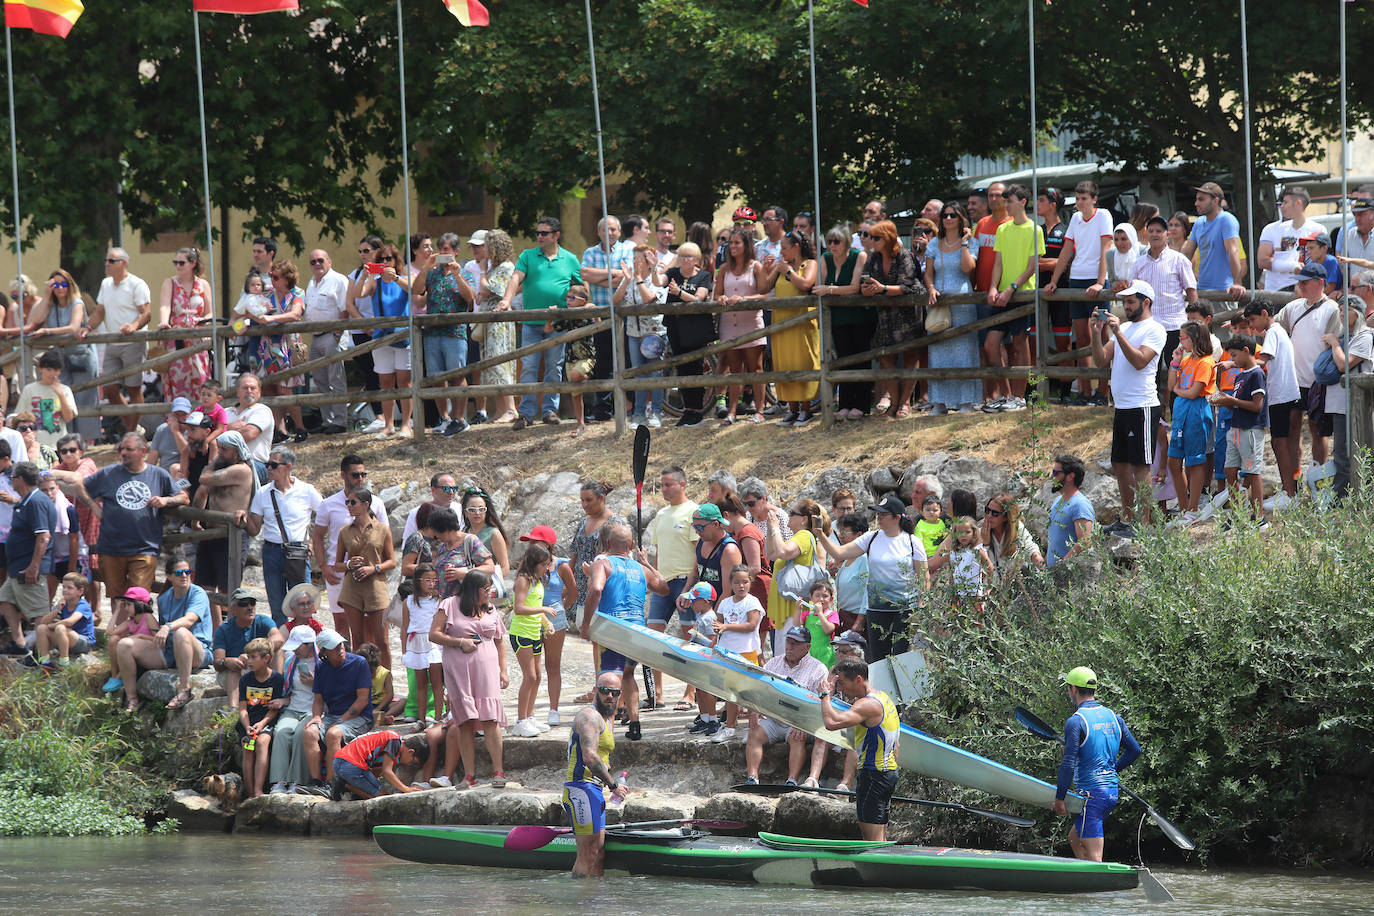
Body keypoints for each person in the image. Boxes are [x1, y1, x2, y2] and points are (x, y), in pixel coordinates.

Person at [51, 432, 185, 619]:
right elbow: (80, 486)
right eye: (122, 449)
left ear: (143, 451)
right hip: (111, 546)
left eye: (129, 449)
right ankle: (119, 636)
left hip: (144, 546)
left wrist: (165, 501)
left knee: (138, 597)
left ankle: (136, 634)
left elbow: (183, 497)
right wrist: (93, 507)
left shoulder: (158, 474)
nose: (124, 453)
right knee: (116, 596)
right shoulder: (109, 473)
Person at [580, 522, 669, 742]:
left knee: (608, 680)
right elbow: (664, 587)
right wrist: (647, 563)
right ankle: (635, 723)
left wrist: (585, 625)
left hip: (614, 629)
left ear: (608, 543)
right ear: (630, 545)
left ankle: (605, 735)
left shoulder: (603, 561)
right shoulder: (640, 568)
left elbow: (597, 589)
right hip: (638, 630)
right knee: (628, 675)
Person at [1090, 280, 1166, 536]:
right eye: (1124, 302)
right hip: (1123, 406)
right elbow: (1101, 359)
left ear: (1146, 302)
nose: (1126, 306)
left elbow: (1140, 362)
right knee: (1120, 463)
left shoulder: (1155, 329)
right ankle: (1127, 518)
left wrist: (1118, 334)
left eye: (1131, 301)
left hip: (1142, 405)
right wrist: (1095, 331)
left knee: (1140, 465)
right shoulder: (1123, 327)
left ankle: (1142, 525)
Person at [818, 495, 927, 662]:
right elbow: (839, 553)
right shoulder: (871, 538)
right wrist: (820, 534)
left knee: (902, 657)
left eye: (883, 514)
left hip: (905, 611)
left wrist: (921, 609)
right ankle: (881, 689)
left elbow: (923, 578)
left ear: (897, 517)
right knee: (878, 659)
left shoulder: (913, 542)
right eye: (877, 514)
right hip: (877, 610)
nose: (879, 518)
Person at [1052, 666, 1142, 862]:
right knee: (1074, 839)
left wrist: (1059, 798)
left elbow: (1068, 764)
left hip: (1090, 796)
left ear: (1074, 689)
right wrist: (1111, 771)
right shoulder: (1114, 717)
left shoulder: (1076, 722)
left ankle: (1099, 888)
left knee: (1095, 857)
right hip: (1110, 793)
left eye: (1068, 688)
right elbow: (1135, 750)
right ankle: (1085, 884)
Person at [428, 570, 509, 789]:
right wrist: (459, 641)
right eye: (486, 588)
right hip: (459, 670)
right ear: (473, 589)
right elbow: (434, 634)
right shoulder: (449, 605)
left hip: (487, 669)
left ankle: (498, 771)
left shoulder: (491, 610)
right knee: (465, 722)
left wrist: (504, 670)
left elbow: (500, 641)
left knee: (491, 718)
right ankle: (469, 775)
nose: (489, 592)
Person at [500, 216, 582, 428]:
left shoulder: (570, 259)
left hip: (558, 323)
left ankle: (549, 411)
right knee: (528, 367)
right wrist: (506, 300)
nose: (539, 237)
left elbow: (581, 289)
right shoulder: (528, 255)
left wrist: (578, 305)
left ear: (556, 236)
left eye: (544, 233)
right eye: (538, 233)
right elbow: (516, 278)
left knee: (554, 368)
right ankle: (526, 414)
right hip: (530, 322)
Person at [1045, 181, 1113, 406]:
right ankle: (1085, 391)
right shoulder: (1074, 219)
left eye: (1084, 198)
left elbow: (1106, 249)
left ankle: (1103, 392)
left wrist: (1101, 283)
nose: (1080, 202)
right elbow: (1066, 251)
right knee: (1082, 338)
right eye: (1078, 198)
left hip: (1096, 281)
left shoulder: (1103, 216)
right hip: (1076, 282)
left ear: (1094, 199)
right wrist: (1054, 281)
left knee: (1102, 335)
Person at [819, 658, 901, 840]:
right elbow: (896, 745)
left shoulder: (866, 705)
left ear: (858, 679)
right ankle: (880, 865)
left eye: (841, 682)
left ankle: (879, 867)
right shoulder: (884, 698)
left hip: (874, 775)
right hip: (886, 773)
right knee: (878, 831)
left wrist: (825, 695)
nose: (839, 689)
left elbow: (831, 723)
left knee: (872, 837)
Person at [242, 445, 322, 625]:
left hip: (298, 552)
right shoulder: (263, 492)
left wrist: (312, 543)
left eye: (273, 465)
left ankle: (305, 646)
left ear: (288, 467)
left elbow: (325, 517)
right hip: (271, 552)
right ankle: (283, 648)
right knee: (277, 606)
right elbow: (254, 529)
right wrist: (243, 518)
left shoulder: (306, 490)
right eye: (267, 464)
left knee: (304, 604)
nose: (268, 468)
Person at [742, 626, 830, 788]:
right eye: (788, 642)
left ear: (807, 647)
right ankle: (752, 778)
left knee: (797, 737)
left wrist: (804, 723)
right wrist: (753, 710)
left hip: (800, 721)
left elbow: (820, 703)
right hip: (774, 718)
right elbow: (758, 689)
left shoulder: (818, 669)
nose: (790, 647)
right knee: (754, 731)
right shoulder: (773, 663)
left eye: (795, 643)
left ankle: (792, 780)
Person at [563, 671, 632, 877]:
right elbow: (590, 758)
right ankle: (578, 905)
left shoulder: (608, 718)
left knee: (599, 853)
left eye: (614, 692)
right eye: (604, 691)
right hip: (580, 789)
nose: (609, 696)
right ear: (595, 691)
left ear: (620, 695)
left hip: (593, 790)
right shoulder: (589, 716)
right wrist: (613, 785)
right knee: (587, 854)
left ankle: (596, 902)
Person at [984, 184, 1044, 411]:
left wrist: (1011, 288)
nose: (1005, 205)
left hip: (1023, 294)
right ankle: (1006, 394)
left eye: (1009, 201)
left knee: (1020, 344)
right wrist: (992, 287)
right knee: (991, 345)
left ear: (1022, 202)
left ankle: (1019, 397)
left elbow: (1032, 266)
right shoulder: (1003, 229)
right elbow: (998, 262)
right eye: (1005, 200)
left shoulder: (1034, 229)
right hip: (1001, 295)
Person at [1276, 263, 1341, 471]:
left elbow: (1333, 344)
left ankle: (1318, 481)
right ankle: (1294, 479)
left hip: (1318, 381)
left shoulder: (1332, 309)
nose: (1300, 286)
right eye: (1300, 281)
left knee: (1318, 430)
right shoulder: (1293, 307)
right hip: (1294, 380)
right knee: (1292, 428)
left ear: (1320, 283)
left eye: (1305, 282)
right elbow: (1273, 326)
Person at [123, 566, 214, 713]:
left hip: (199, 652)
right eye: (179, 573)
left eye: (188, 572)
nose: (184, 575)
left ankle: (184, 689)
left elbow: (190, 619)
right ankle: (132, 699)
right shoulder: (164, 599)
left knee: (181, 632)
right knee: (124, 644)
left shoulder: (198, 593)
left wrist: (168, 627)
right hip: (171, 651)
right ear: (169, 576)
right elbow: (159, 633)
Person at [568, 480, 627, 703]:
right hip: (584, 587)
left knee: (607, 639)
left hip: (604, 586)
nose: (584, 505)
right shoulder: (584, 522)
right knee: (595, 639)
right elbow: (574, 553)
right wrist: (570, 581)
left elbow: (621, 555)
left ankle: (611, 689)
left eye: (589, 500)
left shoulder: (615, 523)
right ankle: (599, 687)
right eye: (582, 500)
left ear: (601, 498)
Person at [644, 466, 698, 704]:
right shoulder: (662, 514)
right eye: (662, 485)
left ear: (682, 484)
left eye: (668, 485)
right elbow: (658, 553)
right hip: (663, 584)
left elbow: (699, 552)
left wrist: (691, 584)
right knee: (654, 637)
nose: (664, 489)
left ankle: (691, 692)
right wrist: (655, 578)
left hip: (686, 582)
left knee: (691, 639)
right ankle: (658, 693)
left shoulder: (693, 511)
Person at [314, 455, 388, 631]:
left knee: (369, 624)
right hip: (338, 572)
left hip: (368, 572)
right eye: (355, 475)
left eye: (363, 474)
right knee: (341, 622)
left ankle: (366, 659)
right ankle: (345, 658)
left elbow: (385, 537)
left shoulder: (376, 503)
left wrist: (379, 568)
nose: (360, 479)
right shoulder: (328, 504)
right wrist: (324, 566)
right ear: (343, 475)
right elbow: (317, 536)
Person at [23, 269, 97, 442]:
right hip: (61, 358)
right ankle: (67, 440)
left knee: (84, 399)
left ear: (70, 285)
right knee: (61, 397)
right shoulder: (51, 304)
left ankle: (85, 441)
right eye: (55, 285)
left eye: (64, 284)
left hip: (81, 356)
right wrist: (47, 296)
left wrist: (47, 331)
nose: (60, 288)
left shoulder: (77, 303)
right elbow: (35, 319)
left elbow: (73, 327)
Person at [192, 431, 256, 627]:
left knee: (229, 590)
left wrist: (211, 464)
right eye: (219, 449)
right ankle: (215, 631)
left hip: (232, 537)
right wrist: (196, 519)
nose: (220, 453)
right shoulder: (220, 469)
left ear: (236, 452)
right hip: (211, 535)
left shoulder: (242, 470)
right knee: (205, 588)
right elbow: (202, 492)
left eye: (225, 450)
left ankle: (232, 630)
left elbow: (204, 480)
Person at [1238, 301, 1301, 505]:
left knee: (1279, 442)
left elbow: (1262, 360)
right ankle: (1289, 490)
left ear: (1265, 314)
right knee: (1285, 442)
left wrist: (1235, 362)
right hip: (1285, 393)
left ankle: (1289, 493)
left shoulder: (1273, 332)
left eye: (1253, 320)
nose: (1252, 325)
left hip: (1280, 395)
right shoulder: (1277, 332)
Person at [298, 629, 372, 798]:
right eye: (334, 646)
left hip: (359, 717)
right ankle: (316, 781)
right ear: (324, 652)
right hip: (333, 716)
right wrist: (316, 717)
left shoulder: (359, 663)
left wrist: (341, 721)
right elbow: (318, 699)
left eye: (341, 644)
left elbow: (362, 701)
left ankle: (331, 784)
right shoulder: (321, 668)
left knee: (333, 733)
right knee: (309, 731)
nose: (340, 648)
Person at [862, 220, 924, 418]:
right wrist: (867, 289)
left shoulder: (903, 255)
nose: (872, 241)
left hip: (907, 314)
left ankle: (905, 402)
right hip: (885, 315)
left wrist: (882, 289)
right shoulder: (873, 257)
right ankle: (894, 403)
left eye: (876, 237)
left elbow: (907, 285)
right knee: (886, 357)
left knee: (910, 357)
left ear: (888, 237)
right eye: (870, 237)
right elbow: (865, 278)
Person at [87, 248, 152, 436]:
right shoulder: (105, 284)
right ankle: (133, 429)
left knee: (133, 388)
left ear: (124, 263)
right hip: (112, 342)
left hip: (133, 342)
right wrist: (88, 327)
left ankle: (130, 433)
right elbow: (100, 311)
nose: (107, 263)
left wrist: (133, 326)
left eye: (111, 260)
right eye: (106, 260)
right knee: (109, 388)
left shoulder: (136, 284)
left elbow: (146, 313)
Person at [331, 485, 396, 669]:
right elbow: (337, 564)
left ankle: (387, 683)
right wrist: (349, 565)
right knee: (357, 639)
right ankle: (359, 682)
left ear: (366, 504)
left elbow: (392, 561)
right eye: (347, 502)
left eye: (353, 502)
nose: (349, 506)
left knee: (381, 640)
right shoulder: (345, 531)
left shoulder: (382, 529)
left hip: (376, 586)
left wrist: (373, 568)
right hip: (352, 586)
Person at [925, 202, 979, 414]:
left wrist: (964, 243)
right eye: (945, 215)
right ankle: (939, 401)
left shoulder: (972, 243)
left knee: (964, 352)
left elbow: (968, 268)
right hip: (938, 300)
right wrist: (930, 288)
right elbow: (929, 272)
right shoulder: (933, 244)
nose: (948, 219)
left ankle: (965, 401)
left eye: (953, 215)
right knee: (938, 350)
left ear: (961, 219)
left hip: (963, 300)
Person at [1133, 215, 1198, 391]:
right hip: (1149, 326)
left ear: (1166, 234)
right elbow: (1134, 295)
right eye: (1151, 231)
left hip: (1175, 324)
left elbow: (1191, 291)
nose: (1155, 234)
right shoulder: (1138, 264)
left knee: (1176, 370)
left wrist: (1196, 322)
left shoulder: (1179, 260)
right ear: (1146, 234)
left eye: (1159, 231)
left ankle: (1176, 413)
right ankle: (1154, 415)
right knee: (1149, 373)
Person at [520, 525, 575, 727]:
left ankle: (553, 709)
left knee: (553, 666)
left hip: (553, 616)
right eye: (530, 542)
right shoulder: (526, 565)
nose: (531, 545)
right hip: (531, 617)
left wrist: (560, 610)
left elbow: (573, 591)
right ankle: (529, 712)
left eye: (535, 542)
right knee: (533, 670)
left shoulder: (561, 565)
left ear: (547, 545)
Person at [1209, 334, 1270, 517]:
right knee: (1229, 470)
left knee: (1252, 472)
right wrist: (1223, 401)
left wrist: (1231, 400)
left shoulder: (1257, 374)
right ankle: (1237, 512)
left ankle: (1258, 516)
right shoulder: (1240, 375)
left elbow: (1257, 405)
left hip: (1250, 430)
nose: (1233, 361)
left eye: (1234, 356)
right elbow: (1236, 403)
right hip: (1235, 429)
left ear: (1246, 351)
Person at [357, 245, 414, 438]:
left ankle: (406, 424)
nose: (386, 262)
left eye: (389, 259)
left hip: (402, 335)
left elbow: (414, 291)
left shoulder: (403, 279)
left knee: (404, 381)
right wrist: (365, 276)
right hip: (381, 336)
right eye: (382, 259)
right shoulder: (376, 282)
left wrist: (396, 277)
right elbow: (359, 294)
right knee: (386, 381)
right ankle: (388, 425)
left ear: (396, 261)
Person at [713, 228, 769, 426]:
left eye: (737, 242)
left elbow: (764, 294)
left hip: (751, 324)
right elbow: (716, 294)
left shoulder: (756, 267)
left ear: (746, 245)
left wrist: (743, 299)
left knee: (756, 368)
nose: (733, 246)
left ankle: (760, 410)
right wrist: (721, 298)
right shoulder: (724, 269)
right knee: (735, 369)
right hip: (729, 325)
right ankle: (733, 411)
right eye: (731, 243)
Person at [818, 225, 872, 419]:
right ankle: (845, 403)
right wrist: (830, 288)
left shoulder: (859, 256)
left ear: (847, 242)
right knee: (843, 358)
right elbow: (819, 285)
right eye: (830, 242)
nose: (832, 246)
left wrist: (831, 289)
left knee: (861, 358)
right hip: (838, 317)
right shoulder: (825, 259)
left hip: (860, 316)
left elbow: (854, 287)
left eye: (837, 242)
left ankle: (862, 404)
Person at [765, 232, 820, 425]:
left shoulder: (810, 264)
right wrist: (769, 269)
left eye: (785, 247)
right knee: (784, 363)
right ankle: (792, 409)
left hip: (802, 322)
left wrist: (788, 271)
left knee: (802, 361)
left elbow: (806, 284)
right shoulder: (781, 266)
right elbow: (763, 287)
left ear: (796, 247)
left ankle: (806, 409)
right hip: (781, 322)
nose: (782, 251)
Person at [0, 462, 54, 655]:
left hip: (28, 568)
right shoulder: (25, 501)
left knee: (40, 616)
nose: (10, 481)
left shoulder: (36, 501)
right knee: (4, 599)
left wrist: (34, 566)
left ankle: (44, 657)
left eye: (12, 478)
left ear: (20, 480)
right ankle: (20, 643)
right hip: (17, 568)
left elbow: (43, 536)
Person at [1319, 300, 1371, 499]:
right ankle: (1344, 496)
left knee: (1352, 452)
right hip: (1338, 405)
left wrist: (1333, 344)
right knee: (1341, 452)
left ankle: (1345, 499)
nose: (1341, 313)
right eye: (1340, 309)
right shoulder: (1343, 337)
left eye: (1346, 309)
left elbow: (1344, 365)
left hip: (1356, 406)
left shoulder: (1364, 337)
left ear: (1357, 313)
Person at [1166, 321, 1217, 521]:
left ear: (1194, 339)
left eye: (1182, 337)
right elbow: (1172, 385)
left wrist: (1179, 391)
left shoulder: (1205, 362)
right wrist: (1175, 361)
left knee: (1194, 462)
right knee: (1173, 461)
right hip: (1181, 413)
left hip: (1196, 413)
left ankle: (1193, 508)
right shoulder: (1186, 360)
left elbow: (1194, 392)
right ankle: (1184, 506)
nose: (1180, 341)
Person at [508, 542, 557, 737]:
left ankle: (529, 717)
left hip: (535, 632)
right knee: (529, 676)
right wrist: (543, 610)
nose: (546, 568)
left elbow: (533, 605)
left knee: (537, 676)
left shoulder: (537, 580)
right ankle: (520, 721)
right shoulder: (523, 580)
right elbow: (519, 608)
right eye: (544, 564)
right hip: (521, 633)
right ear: (534, 563)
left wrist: (546, 623)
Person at [257, 260, 309, 442]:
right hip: (268, 347)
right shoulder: (267, 294)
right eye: (271, 276)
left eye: (276, 277)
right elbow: (253, 311)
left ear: (287, 278)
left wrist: (271, 319)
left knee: (285, 389)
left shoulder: (298, 293)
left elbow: (295, 314)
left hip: (288, 347)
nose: (272, 279)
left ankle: (301, 427)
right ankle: (279, 430)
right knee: (269, 388)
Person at [662, 242, 713, 428]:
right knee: (681, 367)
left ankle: (697, 410)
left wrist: (679, 293)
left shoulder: (704, 276)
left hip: (695, 328)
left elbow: (699, 298)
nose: (685, 259)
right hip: (675, 327)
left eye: (689, 256)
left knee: (695, 368)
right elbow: (658, 281)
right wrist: (653, 267)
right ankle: (687, 410)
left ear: (697, 260)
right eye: (682, 256)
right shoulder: (673, 273)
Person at [302, 248, 351, 435]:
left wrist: (337, 336)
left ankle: (340, 421)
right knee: (320, 380)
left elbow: (344, 310)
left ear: (329, 261)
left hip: (332, 335)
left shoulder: (339, 280)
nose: (317, 264)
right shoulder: (312, 282)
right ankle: (327, 420)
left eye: (320, 260)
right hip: (315, 337)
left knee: (336, 379)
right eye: (313, 262)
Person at [474, 229, 519, 424]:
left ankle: (510, 409)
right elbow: (482, 293)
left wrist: (482, 271)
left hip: (499, 324)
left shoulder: (506, 267)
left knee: (500, 361)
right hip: (489, 321)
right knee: (491, 364)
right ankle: (501, 410)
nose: (484, 249)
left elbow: (487, 289)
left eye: (486, 245)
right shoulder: (496, 268)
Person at [266, 626, 318, 794]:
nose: (294, 649)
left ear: (310, 645)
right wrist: (282, 700)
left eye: (298, 646)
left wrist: (314, 683)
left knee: (299, 735)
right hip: (293, 708)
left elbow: (330, 694)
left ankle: (298, 782)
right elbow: (291, 692)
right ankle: (279, 781)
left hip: (314, 710)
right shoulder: (291, 662)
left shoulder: (323, 664)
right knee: (280, 732)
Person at [158, 247, 213, 404]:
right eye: (175, 262)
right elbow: (165, 307)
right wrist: (164, 321)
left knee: (201, 379)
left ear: (192, 263)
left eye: (181, 263)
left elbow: (210, 313)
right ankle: (179, 419)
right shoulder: (170, 283)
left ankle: (201, 418)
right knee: (178, 381)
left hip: (198, 339)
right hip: (177, 338)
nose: (178, 266)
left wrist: (201, 321)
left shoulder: (203, 284)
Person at [212, 586, 283, 702]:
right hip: (238, 672)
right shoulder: (223, 629)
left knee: (278, 650)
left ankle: (276, 695)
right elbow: (217, 662)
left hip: (261, 668)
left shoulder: (263, 621)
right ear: (233, 609)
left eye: (252, 603)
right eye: (244, 604)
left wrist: (253, 655)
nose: (250, 607)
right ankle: (233, 710)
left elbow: (279, 639)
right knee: (233, 668)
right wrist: (226, 661)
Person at [236, 637, 285, 799]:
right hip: (248, 723)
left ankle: (258, 790)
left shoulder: (276, 679)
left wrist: (262, 723)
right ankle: (250, 792)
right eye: (248, 657)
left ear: (266, 658)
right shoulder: (246, 679)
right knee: (249, 747)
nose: (249, 661)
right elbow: (242, 708)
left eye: (253, 657)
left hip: (266, 721)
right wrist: (248, 725)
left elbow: (273, 710)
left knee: (262, 742)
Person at [1180, 182, 1247, 300]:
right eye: (1196, 199)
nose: (1196, 203)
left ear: (1215, 201)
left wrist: (1237, 283)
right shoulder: (1199, 222)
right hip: (1201, 290)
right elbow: (1185, 256)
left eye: (1201, 200)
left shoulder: (1226, 219)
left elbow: (1233, 251)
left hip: (1223, 291)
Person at [401, 563, 445, 724]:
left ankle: (438, 718)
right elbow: (405, 627)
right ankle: (421, 719)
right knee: (420, 684)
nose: (432, 583)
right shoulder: (409, 601)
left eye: (434, 580)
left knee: (437, 682)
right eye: (428, 580)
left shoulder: (438, 600)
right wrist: (405, 650)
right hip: (416, 643)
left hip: (433, 642)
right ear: (418, 580)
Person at [1258, 186, 1322, 293]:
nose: (1282, 206)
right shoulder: (1274, 229)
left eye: (1285, 202)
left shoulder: (1317, 230)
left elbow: (1320, 261)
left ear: (1298, 203)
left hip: (1304, 291)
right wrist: (1292, 266)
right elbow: (1263, 261)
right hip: (1276, 291)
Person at [332, 729, 428, 801]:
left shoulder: (394, 752)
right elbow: (387, 771)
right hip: (351, 763)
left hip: (342, 762)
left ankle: (348, 786)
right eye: (413, 762)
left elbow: (376, 771)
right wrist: (407, 789)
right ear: (411, 752)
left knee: (376, 792)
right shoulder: (395, 741)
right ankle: (345, 785)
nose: (409, 765)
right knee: (382, 796)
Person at [30, 571, 94, 668]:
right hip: (66, 638)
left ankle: (64, 663)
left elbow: (70, 621)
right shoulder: (64, 603)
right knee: (41, 628)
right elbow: (43, 622)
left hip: (84, 642)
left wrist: (52, 626)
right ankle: (44, 662)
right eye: (63, 587)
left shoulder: (83, 605)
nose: (65, 590)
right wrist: (57, 610)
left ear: (80, 591)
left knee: (60, 627)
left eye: (69, 588)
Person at [19, 349, 76, 450]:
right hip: (36, 444)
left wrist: (61, 395)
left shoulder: (65, 390)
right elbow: (19, 416)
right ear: (40, 369)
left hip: (59, 444)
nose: (52, 373)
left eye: (56, 370)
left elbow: (68, 418)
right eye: (48, 369)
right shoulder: (29, 389)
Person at [981, 492, 1044, 578]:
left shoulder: (1017, 528)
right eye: (987, 511)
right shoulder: (980, 533)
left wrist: (1038, 560)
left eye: (995, 513)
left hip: (1015, 581)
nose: (989, 516)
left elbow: (1030, 547)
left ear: (1005, 517)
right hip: (992, 585)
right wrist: (985, 545)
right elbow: (980, 566)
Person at [224, 374, 274, 481]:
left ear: (259, 392)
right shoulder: (226, 412)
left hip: (253, 463)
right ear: (237, 391)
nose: (249, 391)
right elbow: (209, 436)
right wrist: (229, 428)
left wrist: (223, 431)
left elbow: (248, 434)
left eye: (253, 388)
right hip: (225, 461)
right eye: (245, 388)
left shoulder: (262, 410)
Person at [1047, 455, 1094, 567]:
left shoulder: (1080, 505)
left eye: (1056, 473)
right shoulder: (1057, 500)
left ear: (1070, 476)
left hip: (1067, 578)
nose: (1052, 476)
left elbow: (1084, 542)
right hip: (1051, 575)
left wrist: (1059, 568)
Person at [830, 512, 870, 635]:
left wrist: (859, 621)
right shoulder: (847, 558)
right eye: (839, 532)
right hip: (844, 617)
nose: (840, 537)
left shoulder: (864, 559)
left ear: (859, 535)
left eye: (844, 533)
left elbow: (867, 592)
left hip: (857, 620)